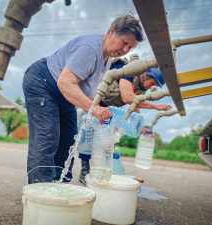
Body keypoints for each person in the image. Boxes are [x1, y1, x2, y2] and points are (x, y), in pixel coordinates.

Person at [23, 14, 144, 184]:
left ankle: (60, 187)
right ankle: (39, 192)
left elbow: (87, 91)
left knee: (69, 140)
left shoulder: (108, 57)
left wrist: (100, 111)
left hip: (64, 94)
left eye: (130, 47)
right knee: (48, 135)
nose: (125, 50)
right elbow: (65, 82)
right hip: (44, 83)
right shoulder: (90, 48)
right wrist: (94, 109)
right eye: (124, 42)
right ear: (112, 31)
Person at [78, 57, 171, 183]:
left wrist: (142, 129)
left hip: (107, 109)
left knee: (105, 141)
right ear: (146, 75)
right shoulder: (128, 71)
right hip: (92, 101)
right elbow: (127, 97)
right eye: (153, 84)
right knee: (88, 135)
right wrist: (156, 106)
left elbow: (135, 106)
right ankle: (84, 171)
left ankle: (97, 171)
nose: (150, 88)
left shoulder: (140, 88)